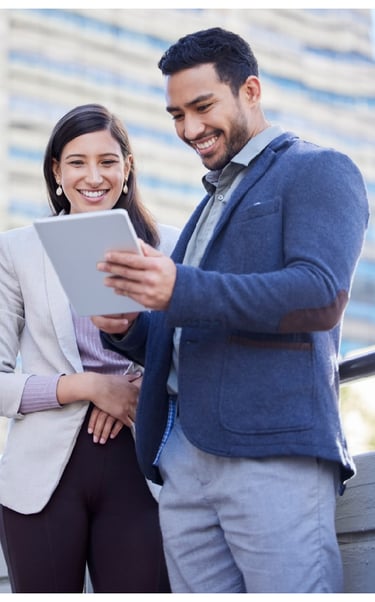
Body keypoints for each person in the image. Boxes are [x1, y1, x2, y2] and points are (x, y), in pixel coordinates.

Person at [92, 28, 369, 593]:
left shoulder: (319, 169)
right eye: (176, 115)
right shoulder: (207, 202)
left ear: (250, 89)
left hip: (270, 452)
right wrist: (131, 328)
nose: (189, 129)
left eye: (202, 106)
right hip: (182, 459)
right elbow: (192, 316)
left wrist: (179, 289)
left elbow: (318, 294)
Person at [0, 103, 179, 593]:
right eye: (76, 162)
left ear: (127, 168)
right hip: (42, 480)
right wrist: (91, 387)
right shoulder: (17, 251)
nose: (93, 175)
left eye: (107, 160)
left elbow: (198, 354)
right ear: (56, 172)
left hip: (145, 467)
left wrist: (138, 383)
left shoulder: (170, 250)